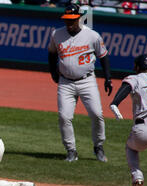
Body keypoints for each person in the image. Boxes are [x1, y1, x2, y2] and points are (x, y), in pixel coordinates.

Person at [48, 3, 113, 162]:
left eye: (72, 20)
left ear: (79, 18)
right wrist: (53, 73)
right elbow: (51, 54)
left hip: (87, 81)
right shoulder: (57, 34)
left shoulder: (92, 35)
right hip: (65, 82)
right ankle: (71, 150)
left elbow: (103, 56)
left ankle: (98, 146)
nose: (69, 23)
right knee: (64, 117)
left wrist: (108, 78)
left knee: (97, 114)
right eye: (67, 20)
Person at [108, 54, 147, 186]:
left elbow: (126, 88)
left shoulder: (135, 78)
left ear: (138, 67)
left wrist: (114, 103)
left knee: (131, 148)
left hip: (142, 129)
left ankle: (137, 176)